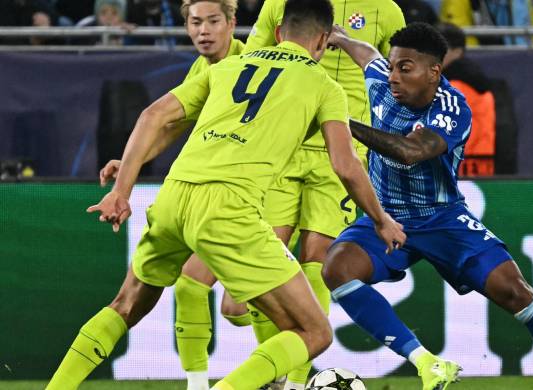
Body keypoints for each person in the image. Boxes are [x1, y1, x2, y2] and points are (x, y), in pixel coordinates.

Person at [45, 1, 405, 389]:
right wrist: (382, 220)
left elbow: (154, 116)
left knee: (126, 304)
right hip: (228, 209)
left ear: (279, 32)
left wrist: (122, 190)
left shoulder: (227, 68)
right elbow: (346, 165)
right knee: (313, 332)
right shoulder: (324, 86)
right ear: (323, 41)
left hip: (174, 196)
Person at [324, 22, 533, 390]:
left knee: (516, 292)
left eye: (405, 68)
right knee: (337, 269)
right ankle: (426, 362)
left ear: (434, 71)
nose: (393, 77)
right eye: (392, 67)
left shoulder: (453, 107)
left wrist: (339, 124)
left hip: (442, 219)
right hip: (385, 216)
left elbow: (412, 153)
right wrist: (340, 39)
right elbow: (368, 56)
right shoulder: (382, 83)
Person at [215, 1, 405, 388]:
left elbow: (397, 78)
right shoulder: (280, 6)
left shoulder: (386, 9)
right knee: (257, 273)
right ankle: (275, 372)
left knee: (317, 257)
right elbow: (253, 67)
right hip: (283, 146)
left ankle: (294, 381)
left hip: (344, 147)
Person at [97, 1, 247, 388]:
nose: (204, 31)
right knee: (194, 286)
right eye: (195, 23)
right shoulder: (204, 68)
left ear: (233, 23)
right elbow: (170, 125)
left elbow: (155, 117)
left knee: (241, 304)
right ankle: (202, 384)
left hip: (260, 195)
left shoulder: (245, 67)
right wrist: (131, 161)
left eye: (213, 21)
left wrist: (123, 185)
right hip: (217, 198)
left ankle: (286, 371)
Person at [438, 22, 496, 177]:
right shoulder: (473, 79)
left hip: (461, 170)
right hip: (481, 166)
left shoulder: (454, 87)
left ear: (457, 51)